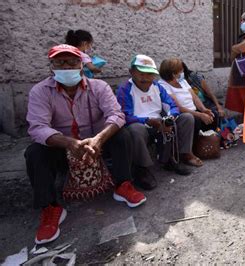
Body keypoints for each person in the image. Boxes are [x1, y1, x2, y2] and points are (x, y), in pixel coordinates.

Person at [25, 44, 146, 245]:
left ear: (81, 65)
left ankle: (123, 185)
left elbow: (116, 115)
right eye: (60, 62)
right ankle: (50, 208)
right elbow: (37, 127)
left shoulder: (99, 87)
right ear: (51, 67)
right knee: (35, 152)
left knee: (122, 135)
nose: (66, 66)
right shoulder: (40, 91)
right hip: (62, 147)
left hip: (96, 143)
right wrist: (68, 142)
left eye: (72, 62)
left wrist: (99, 139)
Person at [116, 55, 194, 184]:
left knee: (186, 118)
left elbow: (172, 105)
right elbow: (125, 115)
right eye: (141, 74)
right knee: (135, 129)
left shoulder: (157, 87)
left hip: (159, 121)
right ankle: (143, 169)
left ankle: (175, 158)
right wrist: (147, 121)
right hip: (140, 124)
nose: (146, 78)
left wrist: (169, 118)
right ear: (131, 72)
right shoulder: (125, 89)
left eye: (150, 74)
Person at [158, 58, 217, 166]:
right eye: (180, 71)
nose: (182, 73)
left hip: (192, 111)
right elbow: (177, 107)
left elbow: (194, 97)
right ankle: (187, 153)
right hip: (178, 114)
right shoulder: (163, 85)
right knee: (195, 119)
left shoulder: (182, 81)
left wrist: (204, 109)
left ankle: (203, 146)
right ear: (173, 73)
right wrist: (200, 114)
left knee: (213, 114)